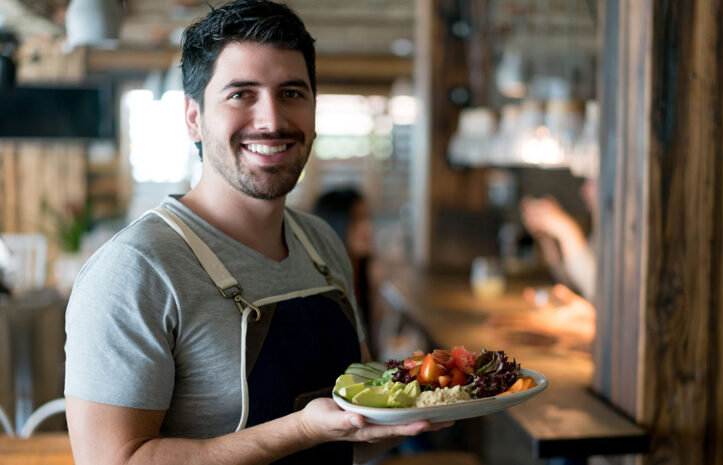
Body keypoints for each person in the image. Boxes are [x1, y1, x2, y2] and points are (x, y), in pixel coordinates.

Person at [64, 2, 450, 464]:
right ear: (193, 118)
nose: (271, 121)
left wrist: (431, 404)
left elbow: (355, 429)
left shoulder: (321, 242)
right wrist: (301, 428)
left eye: (291, 93)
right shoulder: (136, 270)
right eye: (241, 94)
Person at [313, 188, 378, 355]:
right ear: (334, 225)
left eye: (367, 218)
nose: (367, 227)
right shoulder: (322, 285)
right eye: (356, 220)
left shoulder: (362, 271)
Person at [519, 177, 597, 301]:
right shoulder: (600, 233)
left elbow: (598, 293)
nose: (583, 190)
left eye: (592, 182)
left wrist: (566, 230)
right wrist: (547, 236)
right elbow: (571, 284)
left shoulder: (625, 237)